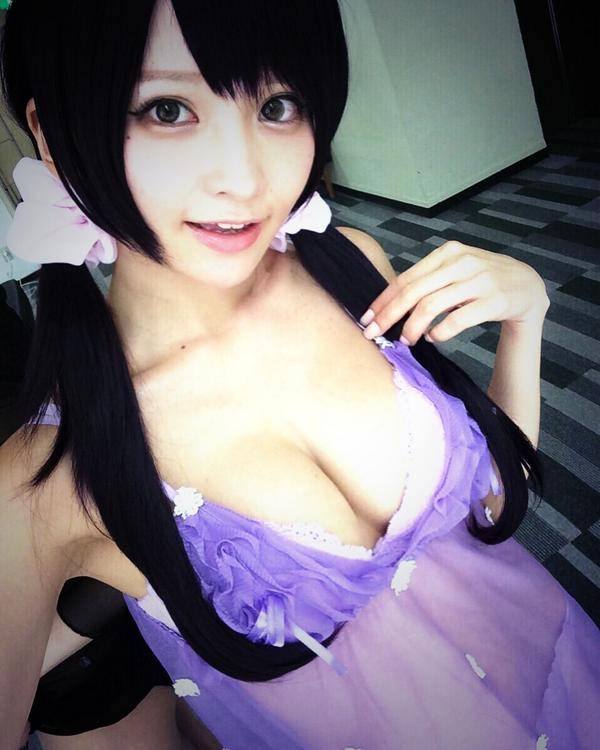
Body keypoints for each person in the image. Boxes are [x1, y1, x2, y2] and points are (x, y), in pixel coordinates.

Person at [0, 1, 598, 749]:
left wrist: (527, 318)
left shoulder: (351, 266)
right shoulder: (47, 477)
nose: (247, 178)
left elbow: (489, 509)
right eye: (167, 109)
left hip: (569, 673)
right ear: (52, 135)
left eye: (277, 105)